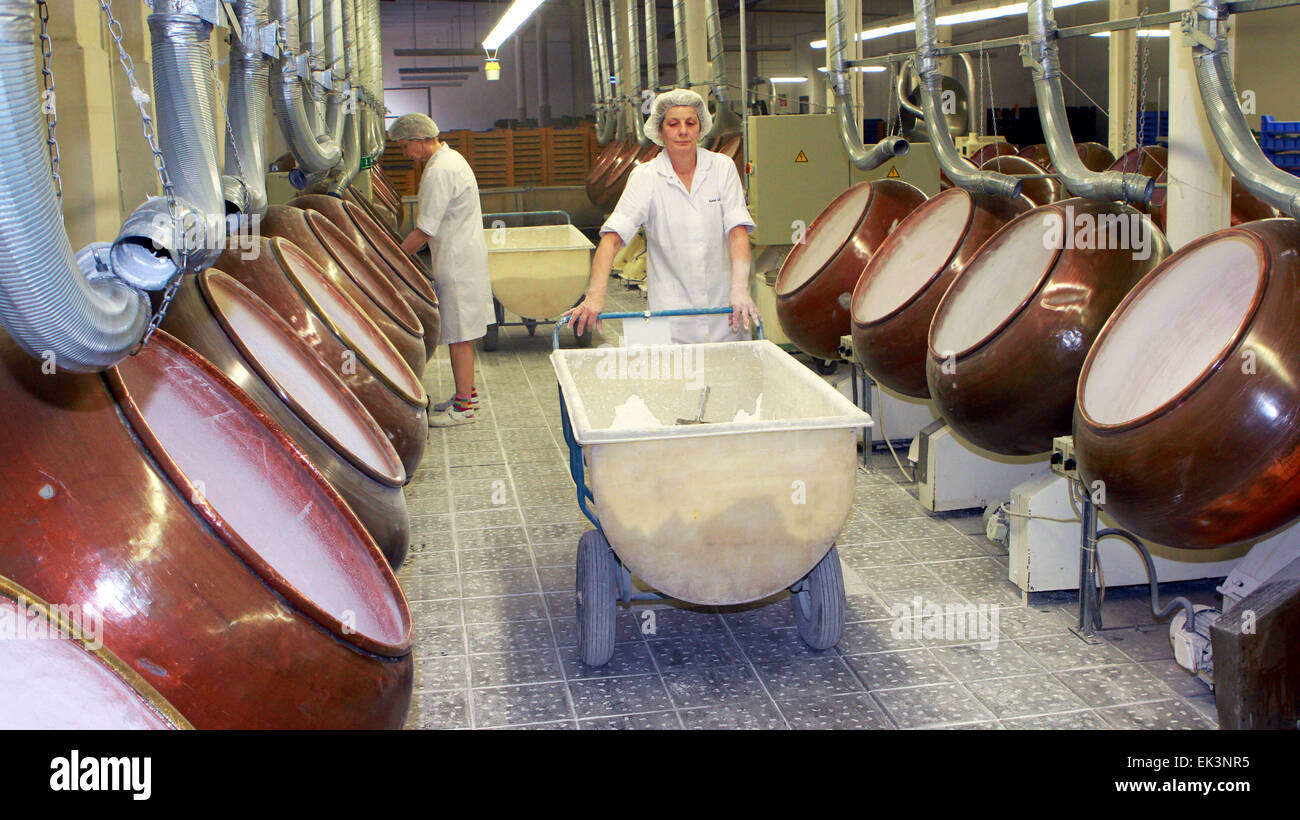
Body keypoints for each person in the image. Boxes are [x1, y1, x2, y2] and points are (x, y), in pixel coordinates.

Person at [564, 88, 761, 343]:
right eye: (673, 123)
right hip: (672, 317)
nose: (683, 131)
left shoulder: (721, 168)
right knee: (677, 378)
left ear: (701, 130)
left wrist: (739, 289)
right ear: (660, 131)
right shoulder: (646, 177)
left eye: (691, 123)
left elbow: (737, 232)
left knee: (729, 379)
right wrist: (595, 295)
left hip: (725, 312)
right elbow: (612, 238)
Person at [388, 113, 493, 427]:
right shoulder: (452, 159)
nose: (406, 154)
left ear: (421, 140)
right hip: (464, 256)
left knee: (460, 335)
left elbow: (424, 230)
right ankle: (467, 395)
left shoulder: (439, 171)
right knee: (464, 332)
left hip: (457, 262)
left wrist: (392, 259)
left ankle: (463, 408)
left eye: (406, 147)